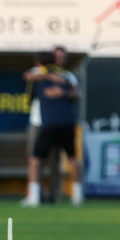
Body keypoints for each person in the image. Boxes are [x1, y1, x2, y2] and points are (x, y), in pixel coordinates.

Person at [21, 50, 83, 207]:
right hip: (64, 122)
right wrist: (52, 78)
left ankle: (37, 197)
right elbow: (28, 75)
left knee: (37, 160)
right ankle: (77, 196)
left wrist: (62, 91)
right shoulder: (60, 76)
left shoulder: (57, 75)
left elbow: (76, 93)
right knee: (71, 157)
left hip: (49, 123)